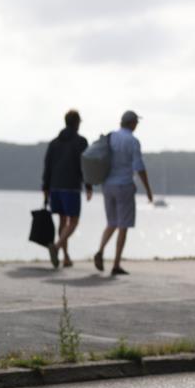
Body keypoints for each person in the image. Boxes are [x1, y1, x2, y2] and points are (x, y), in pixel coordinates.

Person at [95, 110, 153, 276]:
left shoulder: (111, 137)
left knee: (111, 222)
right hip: (124, 186)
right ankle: (116, 264)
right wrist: (148, 190)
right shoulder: (133, 141)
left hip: (107, 185)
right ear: (132, 123)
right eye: (136, 122)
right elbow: (139, 167)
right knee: (123, 225)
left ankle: (100, 250)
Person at [41, 109, 93, 268]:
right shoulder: (81, 142)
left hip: (55, 186)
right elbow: (85, 165)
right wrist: (88, 185)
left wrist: (46, 187)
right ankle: (56, 248)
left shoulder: (54, 143)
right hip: (71, 187)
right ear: (77, 123)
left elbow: (47, 166)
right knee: (74, 221)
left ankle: (66, 257)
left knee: (62, 220)